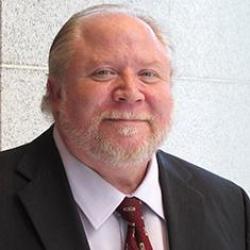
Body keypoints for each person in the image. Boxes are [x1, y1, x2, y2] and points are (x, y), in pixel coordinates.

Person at [0, 4, 249, 250]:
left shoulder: (230, 204)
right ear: (55, 92)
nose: (131, 93)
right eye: (104, 72)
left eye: (148, 74)